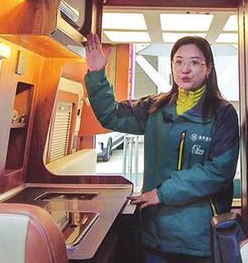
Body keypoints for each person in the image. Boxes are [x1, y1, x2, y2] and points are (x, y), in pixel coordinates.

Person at [84, 33, 239, 263]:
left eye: (195, 62)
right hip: (155, 233)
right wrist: (97, 74)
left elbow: (219, 171)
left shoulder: (223, 113)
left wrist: (162, 193)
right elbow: (112, 115)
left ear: (208, 69)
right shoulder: (156, 107)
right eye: (178, 61)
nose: (185, 69)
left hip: (198, 237)